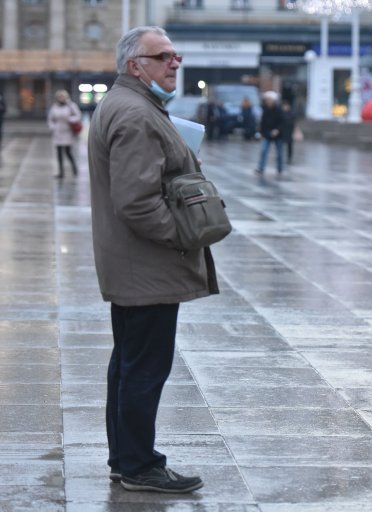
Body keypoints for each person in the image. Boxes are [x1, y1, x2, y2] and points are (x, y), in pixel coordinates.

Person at [87, 25, 217, 493]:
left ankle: (127, 459)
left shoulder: (133, 105)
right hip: (147, 266)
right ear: (134, 65)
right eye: (162, 56)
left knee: (129, 364)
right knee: (143, 368)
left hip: (136, 264)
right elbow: (137, 203)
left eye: (175, 54)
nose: (174, 62)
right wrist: (182, 237)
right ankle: (141, 466)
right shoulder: (135, 113)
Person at [47, 89, 82, 178]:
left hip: (68, 131)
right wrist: (53, 127)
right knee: (59, 153)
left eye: (62, 96)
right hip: (58, 132)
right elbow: (50, 118)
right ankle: (61, 172)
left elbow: (78, 116)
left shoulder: (71, 106)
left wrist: (70, 119)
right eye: (59, 96)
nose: (61, 98)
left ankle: (74, 168)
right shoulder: (55, 106)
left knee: (68, 152)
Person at [256, 90, 284, 174]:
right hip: (267, 133)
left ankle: (280, 168)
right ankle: (261, 168)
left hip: (278, 134)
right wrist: (261, 133)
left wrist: (277, 130)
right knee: (264, 150)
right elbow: (263, 122)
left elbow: (282, 122)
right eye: (267, 100)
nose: (268, 102)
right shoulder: (265, 110)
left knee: (279, 153)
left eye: (270, 100)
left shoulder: (279, 110)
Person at [280, 99, 296, 164]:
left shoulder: (291, 113)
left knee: (289, 145)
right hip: (282, 131)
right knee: (280, 145)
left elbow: (293, 122)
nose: (285, 107)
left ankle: (289, 157)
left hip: (289, 131)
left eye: (286, 106)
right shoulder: (281, 113)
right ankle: (280, 157)